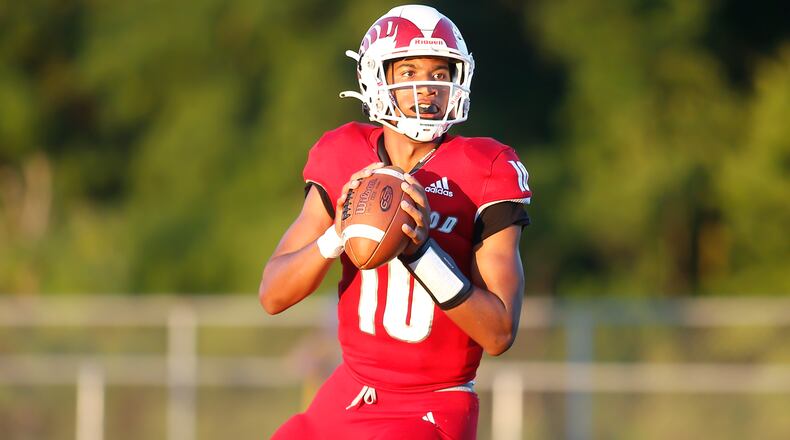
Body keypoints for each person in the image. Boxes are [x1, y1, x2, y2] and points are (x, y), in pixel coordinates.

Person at [259, 5, 532, 439]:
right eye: (408, 71)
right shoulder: (342, 153)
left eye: (440, 74)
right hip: (350, 389)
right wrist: (338, 235)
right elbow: (273, 294)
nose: (426, 88)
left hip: (433, 403)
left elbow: (499, 333)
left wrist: (422, 251)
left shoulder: (486, 168)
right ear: (376, 77)